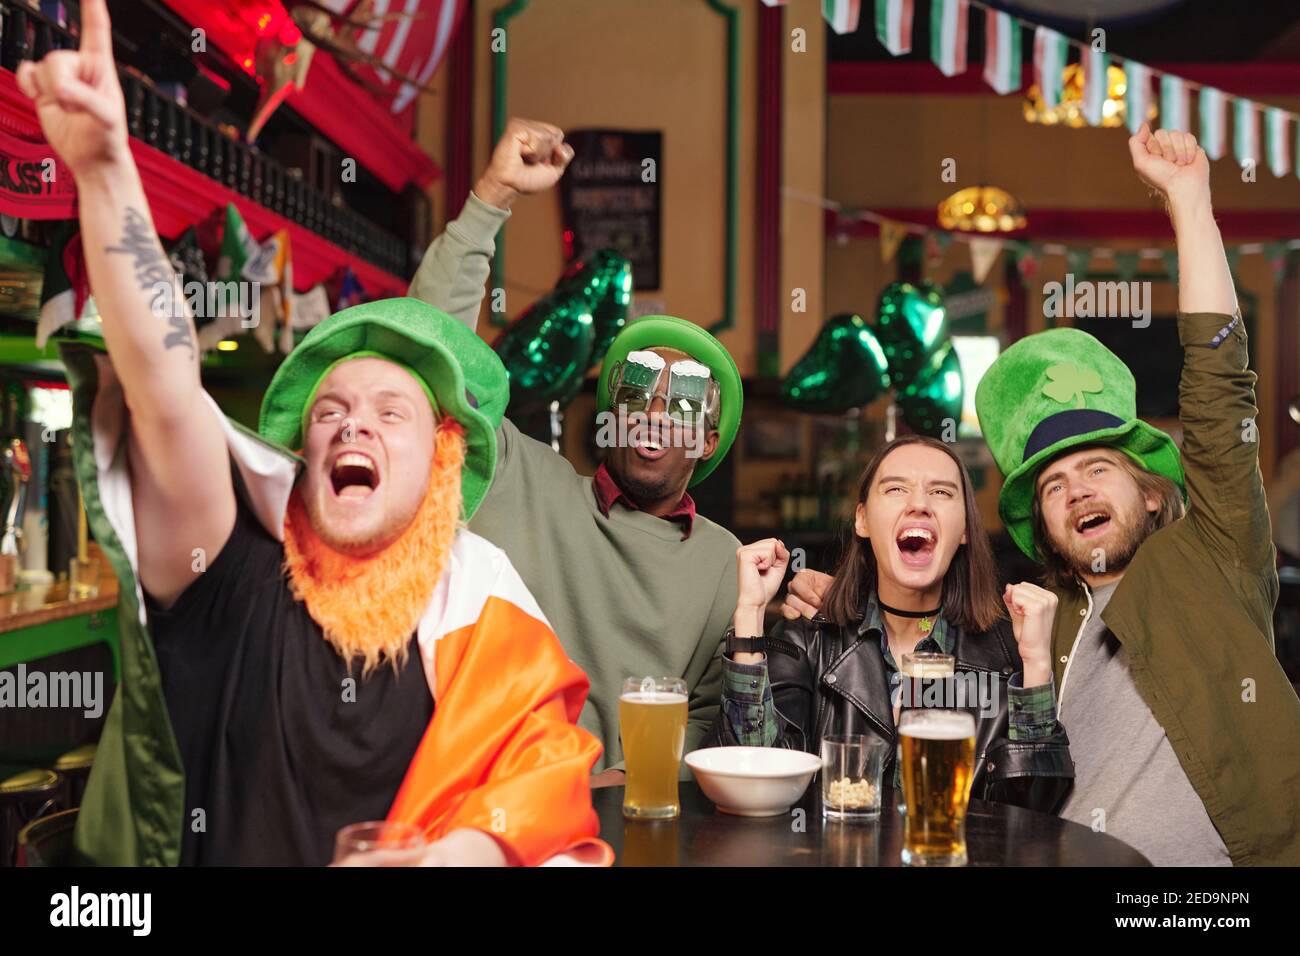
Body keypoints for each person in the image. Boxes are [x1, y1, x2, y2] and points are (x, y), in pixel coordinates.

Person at [21, 0, 605, 867]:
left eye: (390, 412)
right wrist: (107, 172)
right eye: (329, 411)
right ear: (301, 454)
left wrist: (446, 860)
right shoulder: (231, 568)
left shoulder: (477, 607)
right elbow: (168, 390)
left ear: (443, 462)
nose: (351, 423)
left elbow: (542, 785)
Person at [783, 127, 1300, 866]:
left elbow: (1220, 393)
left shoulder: (1214, 557)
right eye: (1053, 484)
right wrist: (843, 600)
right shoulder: (1029, 629)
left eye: (1097, 468)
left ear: (1154, 497)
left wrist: (1189, 202)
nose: (1075, 489)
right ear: (1044, 528)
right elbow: (920, 637)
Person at [406, 128, 743, 785]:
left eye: (683, 405)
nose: (654, 414)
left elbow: (710, 730)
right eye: (639, 390)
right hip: (484, 810)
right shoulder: (517, 478)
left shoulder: (726, 567)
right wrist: (493, 196)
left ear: (706, 441)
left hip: (633, 825)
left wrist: (604, 789)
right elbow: (428, 353)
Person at [707, 436, 1072, 810]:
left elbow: (1034, 815)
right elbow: (752, 784)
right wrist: (750, 613)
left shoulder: (1008, 656)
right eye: (896, 489)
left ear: (964, 529)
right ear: (862, 520)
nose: (919, 505)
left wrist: (1037, 667)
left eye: (942, 492)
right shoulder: (807, 640)